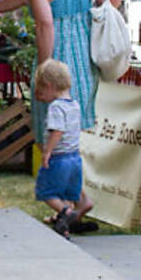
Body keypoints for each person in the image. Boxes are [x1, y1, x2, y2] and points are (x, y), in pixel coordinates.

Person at [7, 0, 101, 152]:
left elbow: (45, 25)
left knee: (51, 140)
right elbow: (103, 0)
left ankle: (61, 189)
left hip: (56, 59)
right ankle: (74, 188)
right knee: (74, 139)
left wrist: (43, 71)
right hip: (84, 60)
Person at [33, 59, 93, 238]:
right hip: (74, 157)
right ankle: (66, 221)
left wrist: (47, 151)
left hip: (59, 158)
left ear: (50, 86)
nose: (40, 94)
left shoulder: (56, 107)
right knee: (67, 191)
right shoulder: (74, 105)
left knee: (46, 191)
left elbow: (57, 131)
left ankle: (65, 212)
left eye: (41, 89)